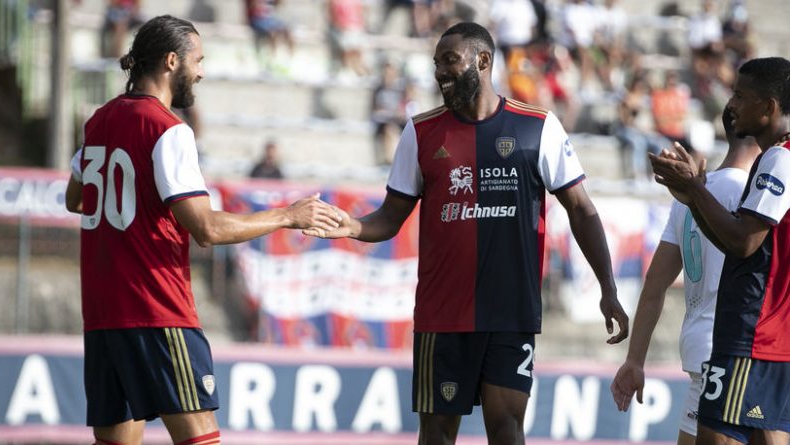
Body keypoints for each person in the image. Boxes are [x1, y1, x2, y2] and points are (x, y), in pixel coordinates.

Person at [306, 22, 629, 444]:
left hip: (511, 313)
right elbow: (391, 215)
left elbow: (582, 211)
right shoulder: (420, 133)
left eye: (449, 61)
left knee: (507, 430)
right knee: (437, 435)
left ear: (483, 60)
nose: (440, 71)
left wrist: (607, 286)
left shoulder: (538, 128)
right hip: (442, 316)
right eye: (436, 63)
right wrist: (352, 225)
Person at [64, 15, 340, 445]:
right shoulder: (168, 130)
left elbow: (75, 199)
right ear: (172, 61)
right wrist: (290, 215)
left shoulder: (98, 121)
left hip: (104, 317)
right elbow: (207, 229)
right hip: (158, 310)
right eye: (198, 60)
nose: (202, 71)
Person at [649, 56, 790, 445]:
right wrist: (693, 196)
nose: (731, 104)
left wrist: (695, 189)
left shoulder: (778, 159)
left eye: (741, 96)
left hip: (751, 337)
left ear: (769, 108)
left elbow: (743, 242)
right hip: (771, 338)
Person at [610, 106, 760, 445]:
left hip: (698, 351)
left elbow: (654, 284)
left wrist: (635, 359)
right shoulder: (754, 196)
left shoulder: (690, 196)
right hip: (735, 354)